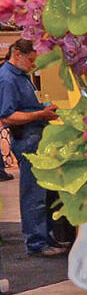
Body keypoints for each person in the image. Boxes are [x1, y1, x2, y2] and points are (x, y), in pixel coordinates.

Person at [0, 39, 64, 255]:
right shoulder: (8, 79)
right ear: (16, 53)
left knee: (44, 192)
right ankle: (36, 243)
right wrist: (40, 114)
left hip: (37, 136)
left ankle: (47, 237)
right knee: (33, 194)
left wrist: (43, 110)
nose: (32, 65)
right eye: (30, 60)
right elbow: (8, 116)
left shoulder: (20, 76)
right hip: (26, 139)